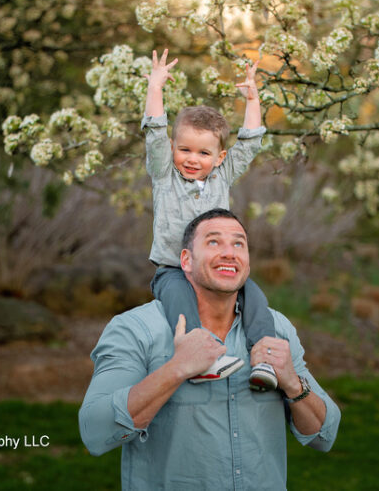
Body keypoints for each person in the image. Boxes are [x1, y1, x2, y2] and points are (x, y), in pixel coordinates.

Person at [79, 209, 341, 490]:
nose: (230, 253)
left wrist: (292, 383)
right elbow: (96, 431)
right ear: (186, 260)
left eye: (239, 244)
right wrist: (177, 369)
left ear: (248, 263)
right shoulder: (136, 329)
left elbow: (324, 437)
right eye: (214, 242)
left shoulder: (277, 329)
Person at [142, 48, 278, 390]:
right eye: (184, 150)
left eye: (203, 153)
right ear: (173, 148)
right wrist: (155, 87)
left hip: (216, 270)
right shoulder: (164, 175)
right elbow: (155, 132)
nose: (192, 159)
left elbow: (249, 143)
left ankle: (266, 358)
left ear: (219, 158)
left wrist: (252, 100)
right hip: (173, 269)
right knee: (180, 302)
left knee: (255, 297)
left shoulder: (222, 175)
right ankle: (201, 359)